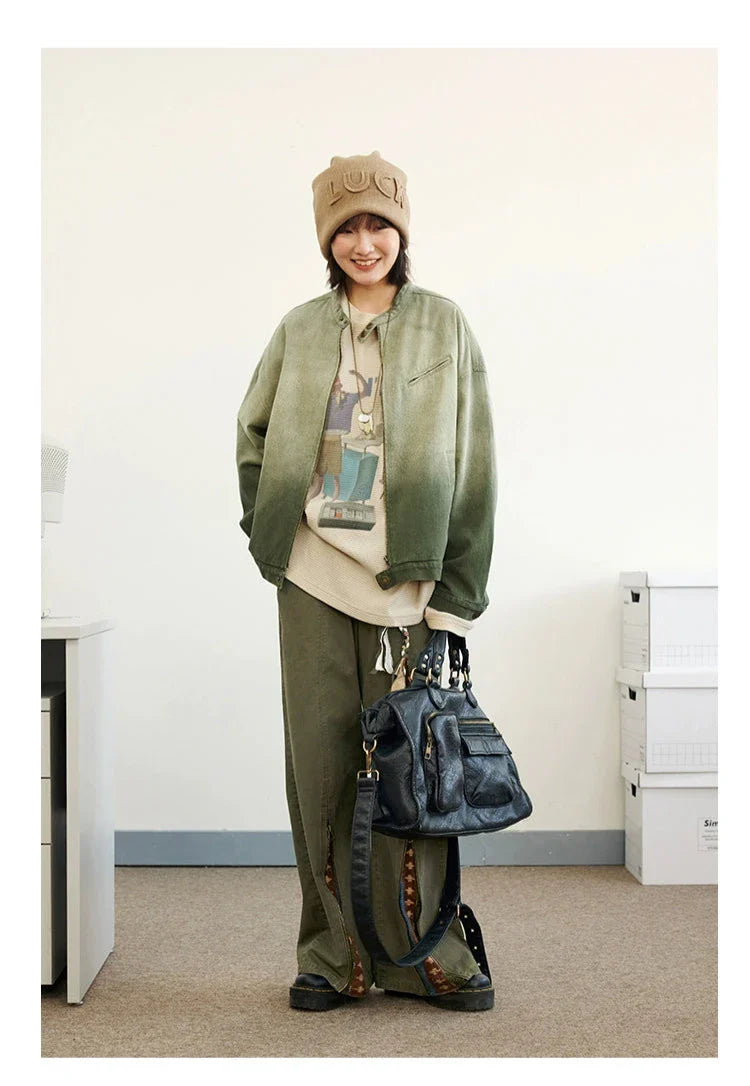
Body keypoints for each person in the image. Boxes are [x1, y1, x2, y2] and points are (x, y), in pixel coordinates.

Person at [235, 151, 498, 1011]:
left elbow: (474, 465)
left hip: (408, 587)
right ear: (327, 239)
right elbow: (253, 436)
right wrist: (271, 532)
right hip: (313, 578)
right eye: (345, 227)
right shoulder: (300, 330)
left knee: (411, 775)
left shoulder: (443, 327)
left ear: (401, 231)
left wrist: (457, 597)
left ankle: (423, 957)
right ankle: (331, 957)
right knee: (319, 771)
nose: (363, 242)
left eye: (378, 223)